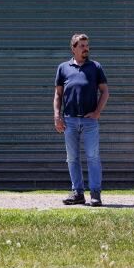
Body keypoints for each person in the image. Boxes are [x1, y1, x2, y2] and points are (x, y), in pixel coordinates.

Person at [54, 33, 109, 206]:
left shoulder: (95, 67)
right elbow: (58, 94)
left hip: (89, 122)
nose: (86, 48)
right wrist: (57, 115)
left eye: (87, 45)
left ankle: (95, 194)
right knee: (72, 158)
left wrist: (97, 112)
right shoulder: (63, 68)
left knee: (93, 156)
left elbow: (105, 92)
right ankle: (77, 193)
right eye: (82, 46)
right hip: (69, 120)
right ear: (74, 48)